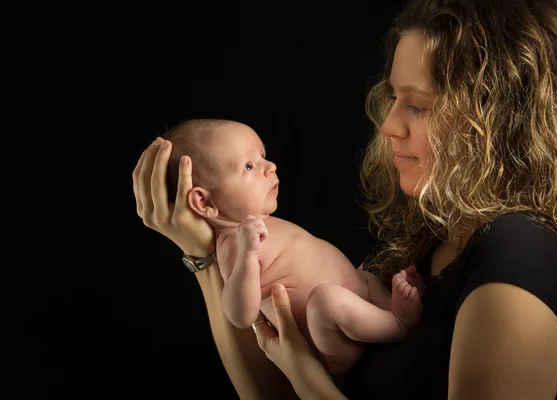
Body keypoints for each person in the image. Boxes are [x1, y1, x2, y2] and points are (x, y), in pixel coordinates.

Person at [132, 0, 557, 398]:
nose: (389, 126)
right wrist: (202, 250)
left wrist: (307, 379)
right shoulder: (443, 237)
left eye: (416, 104)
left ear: (498, 118)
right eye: (393, 97)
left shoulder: (521, 252)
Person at [160, 118, 425, 379]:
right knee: (326, 299)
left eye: (263, 156)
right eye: (249, 166)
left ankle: (386, 307)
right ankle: (397, 324)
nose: (270, 167)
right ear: (205, 202)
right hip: (333, 338)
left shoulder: (257, 221)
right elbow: (240, 315)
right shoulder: (234, 244)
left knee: (364, 276)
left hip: (353, 308)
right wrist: (249, 256)